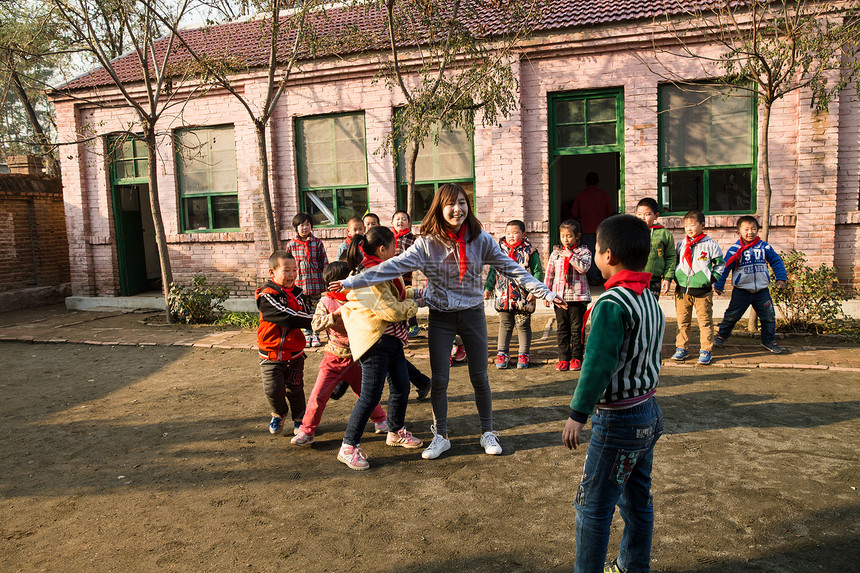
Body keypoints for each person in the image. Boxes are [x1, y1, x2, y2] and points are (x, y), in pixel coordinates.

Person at [331, 183, 566, 460]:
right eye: (450, 204)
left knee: (480, 376)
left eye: (463, 203)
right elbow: (388, 268)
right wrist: (350, 282)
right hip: (441, 317)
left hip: (473, 315)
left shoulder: (481, 240)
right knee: (440, 380)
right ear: (439, 209)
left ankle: (487, 432)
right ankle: (440, 436)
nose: (458, 209)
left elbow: (513, 269)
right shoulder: (426, 245)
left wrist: (546, 292)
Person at [562, 214, 665, 573]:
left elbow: (598, 366)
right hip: (648, 413)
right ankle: (632, 566)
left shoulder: (611, 304)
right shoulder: (649, 299)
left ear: (607, 255)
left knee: (592, 507)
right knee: (637, 502)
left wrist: (578, 413)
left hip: (618, 422)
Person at [336, 226, 424, 470]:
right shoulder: (371, 273)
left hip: (389, 339)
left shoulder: (381, 269)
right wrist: (415, 303)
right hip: (374, 341)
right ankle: (348, 446)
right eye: (394, 246)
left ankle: (395, 431)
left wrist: (419, 293)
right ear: (384, 248)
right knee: (370, 395)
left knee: (401, 386)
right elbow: (391, 310)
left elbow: (396, 296)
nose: (397, 250)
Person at [291, 261, 388, 446]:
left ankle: (381, 421)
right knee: (318, 395)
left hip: (359, 357)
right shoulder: (326, 302)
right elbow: (315, 325)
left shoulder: (359, 298)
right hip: (333, 358)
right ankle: (307, 430)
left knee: (367, 393)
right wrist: (335, 315)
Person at [255, 251, 313, 437]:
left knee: (295, 389)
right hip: (270, 354)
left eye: (295, 270)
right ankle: (279, 413)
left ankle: (300, 419)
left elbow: (307, 312)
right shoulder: (266, 295)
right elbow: (288, 317)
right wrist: (318, 320)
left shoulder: (299, 294)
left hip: (295, 353)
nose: (292, 275)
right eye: (286, 270)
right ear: (272, 273)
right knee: (273, 390)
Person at [714, 216, 788, 354]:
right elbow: (725, 267)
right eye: (746, 229)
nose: (750, 232)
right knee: (732, 315)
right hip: (741, 291)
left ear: (758, 230)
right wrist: (719, 284)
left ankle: (769, 341)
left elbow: (776, 262)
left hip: (762, 291)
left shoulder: (765, 247)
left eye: (753, 228)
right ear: (738, 232)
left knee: (768, 317)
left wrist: (781, 279)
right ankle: (720, 336)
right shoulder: (735, 249)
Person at [484, 219, 543, 369]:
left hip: (524, 296)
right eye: (508, 233)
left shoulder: (530, 251)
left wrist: (534, 291)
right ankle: (502, 353)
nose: (511, 236)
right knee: (505, 325)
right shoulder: (498, 251)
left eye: (515, 233)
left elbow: (537, 272)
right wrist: (488, 288)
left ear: (524, 234)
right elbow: (493, 271)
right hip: (503, 296)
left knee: (523, 325)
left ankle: (524, 354)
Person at [672, 210, 725, 366]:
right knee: (682, 321)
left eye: (693, 225)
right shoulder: (681, 244)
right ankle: (682, 348)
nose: (689, 228)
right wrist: (677, 277)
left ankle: (706, 350)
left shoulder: (710, 245)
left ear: (702, 225)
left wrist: (711, 279)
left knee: (705, 321)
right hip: (682, 291)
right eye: (686, 225)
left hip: (703, 292)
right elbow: (676, 263)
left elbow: (720, 264)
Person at [544, 219, 591, 371]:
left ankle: (576, 358)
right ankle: (563, 358)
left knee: (577, 329)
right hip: (560, 298)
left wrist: (570, 256)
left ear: (577, 236)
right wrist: (546, 294)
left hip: (578, 298)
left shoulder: (584, 252)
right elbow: (549, 275)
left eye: (569, 236)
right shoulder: (555, 254)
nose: (565, 239)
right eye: (562, 236)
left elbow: (583, 268)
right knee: (562, 328)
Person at [285, 212, 328, 348]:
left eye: (308, 224)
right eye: (301, 225)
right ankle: (307, 334)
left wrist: (326, 279)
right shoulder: (291, 245)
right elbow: (287, 265)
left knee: (316, 311)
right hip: (299, 286)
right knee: (303, 311)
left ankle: (316, 334)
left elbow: (324, 263)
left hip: (316, 284)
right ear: (296, 227)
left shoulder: (317, 243)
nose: (305, 228)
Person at [570, 172, 614, 285]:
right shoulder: (603, 195)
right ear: (598, 181)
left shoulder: (581, 195)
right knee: (602, 252)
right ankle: (603, 275)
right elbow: (610, 211)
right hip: (602, 230)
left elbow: (575, 212)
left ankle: (593, 277)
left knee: (589, 253)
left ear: (586, 182)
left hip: (586, 229)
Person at [634, 198, 676, 298]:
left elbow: (670, 257)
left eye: (647, 214)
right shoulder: (631, 232)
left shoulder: (664, 234)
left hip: (654, 280)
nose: (642, 218)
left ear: (656, 216)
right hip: (634, 278)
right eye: (639, 214)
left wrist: (667, 277)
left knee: (651, 307)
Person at [392, 209, 421, 337]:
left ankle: (411, 326)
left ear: (409, 223)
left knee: (406, 299)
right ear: (392, 222)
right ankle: (399, 329)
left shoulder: (412, 238)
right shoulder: (388, 238)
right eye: (398, 219)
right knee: (394, 301)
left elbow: (416, 258)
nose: (400, 221)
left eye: (404, 219)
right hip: (391, 277)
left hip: (405, 277)